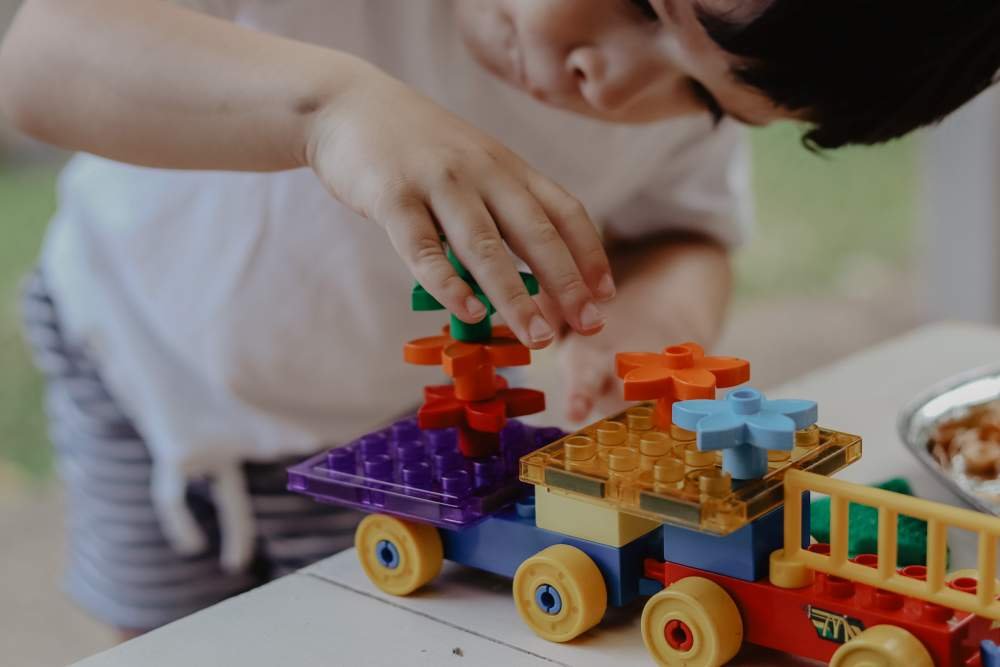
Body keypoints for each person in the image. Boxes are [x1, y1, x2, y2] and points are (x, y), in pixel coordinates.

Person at [1, 0, 997, 637]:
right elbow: (38, 62)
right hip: (144, 364)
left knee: (348, 633)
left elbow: (683, 232)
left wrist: (645, 319)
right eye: (642, 3)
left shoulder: (655, 115)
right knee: (168, 639)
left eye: (703, 96)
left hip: (421, 439)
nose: (618, 79)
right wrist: (330, 109)